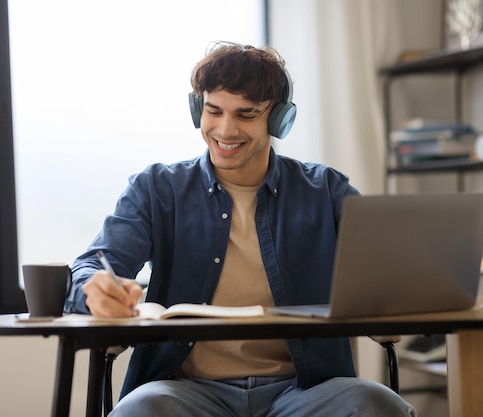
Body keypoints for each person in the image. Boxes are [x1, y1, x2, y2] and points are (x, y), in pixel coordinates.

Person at [65, 41, 416, 417]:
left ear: (280, 120)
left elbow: (388, 275)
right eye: (213, 111)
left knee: (374, 405)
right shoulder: (156, 190)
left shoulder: (326, 192)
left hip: (306, 392)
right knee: (142, 409)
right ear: (197, 109)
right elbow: (88, 268)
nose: (225, 129)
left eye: (246, 114)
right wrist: (95, 291)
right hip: (185, 391)